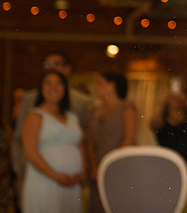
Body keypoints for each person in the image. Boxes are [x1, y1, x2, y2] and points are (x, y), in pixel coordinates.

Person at [12, 52, 91, 204]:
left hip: (72, 183)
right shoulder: (32, 107)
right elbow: (21, 143)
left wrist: (81, 173)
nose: (49, 68)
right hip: (42, 178)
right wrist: (20, 171)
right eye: (46, 65)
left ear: (67, 70)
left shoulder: (79, 106)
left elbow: (83, 143)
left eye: (54, 64)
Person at [21, 70, 84, 213]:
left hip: (72, 183)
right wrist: (55, 175)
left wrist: (81, 173)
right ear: (41, 88)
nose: (53, 88)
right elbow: (29, 152)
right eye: (48, 83)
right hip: (45, 180)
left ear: (65, 88)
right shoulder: (35, 116)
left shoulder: (72, 117)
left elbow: (80, 146)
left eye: (58, 83)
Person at [87, 71, 138, 213]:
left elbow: (129, 140)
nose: (97, 87)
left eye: (100, 83)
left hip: (119, 168)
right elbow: (91, 143)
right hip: (97, 170)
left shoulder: (127, 109)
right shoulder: (96, 111)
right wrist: (94, 166)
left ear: (112, 86)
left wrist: (108, 167)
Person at [152, 88, 187, 179]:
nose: (176, 102)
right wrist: (164, 101)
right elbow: (152, 123)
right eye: (173, 100)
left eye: (178, 100)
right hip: (167, 165)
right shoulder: (162, 121)